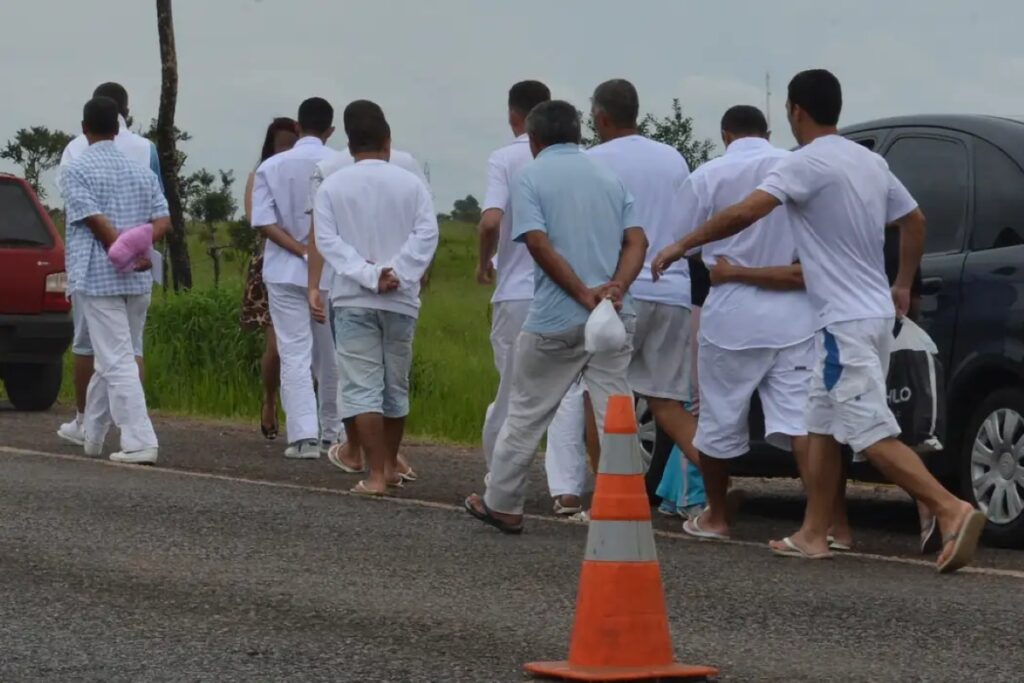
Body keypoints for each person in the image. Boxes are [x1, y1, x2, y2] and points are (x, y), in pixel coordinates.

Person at [652, 69, 984, 573]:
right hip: (869, 315)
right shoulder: (869, 161)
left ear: (795, 111)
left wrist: (683, 244)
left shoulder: (805, 164)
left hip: (842, 323)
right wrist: (901, 283)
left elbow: (745, 213)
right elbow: (913, 220)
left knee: (868, 431)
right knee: (820, 425)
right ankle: (814, 533)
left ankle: (950, 508)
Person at [464, 100, 648, 534]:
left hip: (556, 318)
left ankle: (504, 504)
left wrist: (583, 293)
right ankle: (624, 509)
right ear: (579, 134)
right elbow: (637, 241)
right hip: (614, 315)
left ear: (533, 139)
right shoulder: (608, 178)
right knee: (615, 413)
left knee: (526, 412)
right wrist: (615, 287)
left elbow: (538, 243)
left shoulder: (530, 177)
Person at [673, 105, 816, 542]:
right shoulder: (796, 167)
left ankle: (717, 516)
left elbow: (685, 242)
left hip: (731, 310)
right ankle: (819, 522)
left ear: (724, 135)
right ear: (768, 131)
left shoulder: (707, 176)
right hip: (793, 310)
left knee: (718, 418)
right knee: (799, 423)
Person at [313, 100, 439, 495]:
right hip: (401, 299)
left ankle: (376, 474)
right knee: (394, 385)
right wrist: (398, 272)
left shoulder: (332, 185)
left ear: (349, 146)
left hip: (353, 297)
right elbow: (428, 234)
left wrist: (369, 274)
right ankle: (389, 464)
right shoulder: (412, 183)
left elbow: (327, 241)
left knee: (361, 386)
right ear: (388, 141)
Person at [477, 80, 588, 516]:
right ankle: (566, 489)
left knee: (512, 393)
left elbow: (489, 221)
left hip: (518, 291)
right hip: (570, 289)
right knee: (566, 392)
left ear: (514, 115)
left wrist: (484, 262)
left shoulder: (505, 158)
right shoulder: (582, 162)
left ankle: (498, 480)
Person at [586, 79, 699, 474]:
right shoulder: (672, 158)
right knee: (666, 402)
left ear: (600, 117)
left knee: (600, 393)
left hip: (620, 292)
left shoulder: (594, 159)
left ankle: (608, 493)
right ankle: (716, 489)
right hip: (673, 290)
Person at [59, 96, 169, 463]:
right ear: (119, 126)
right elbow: (162, 221)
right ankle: (92, 434)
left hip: (98, 277)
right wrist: (140, 248)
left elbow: (93, 219)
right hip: (139, 279)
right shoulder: (141, 170)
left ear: (84, 127)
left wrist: (121, 248)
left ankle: (139, 440)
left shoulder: (77, 169)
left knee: (116, 359)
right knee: (114, 357)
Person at [251, 97, 343, 459]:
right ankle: (333, 433)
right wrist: (316, 252)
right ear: (330, 130)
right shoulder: (339, 164)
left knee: (293, 352)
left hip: (283, 271)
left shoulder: (271, 166)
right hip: (330, 274)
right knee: (330, 354)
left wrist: (299, 250)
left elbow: (263, 221)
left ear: (298, 127)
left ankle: (304, 436)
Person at [241, 117, 298, 440]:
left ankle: (306, 417)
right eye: (282, 145)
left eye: (293, 143)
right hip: (272, 265)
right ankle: (269, 399)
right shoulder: (260, 175)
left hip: (311, 264)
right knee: (276, 348)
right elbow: (255, 217)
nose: (287, 151)